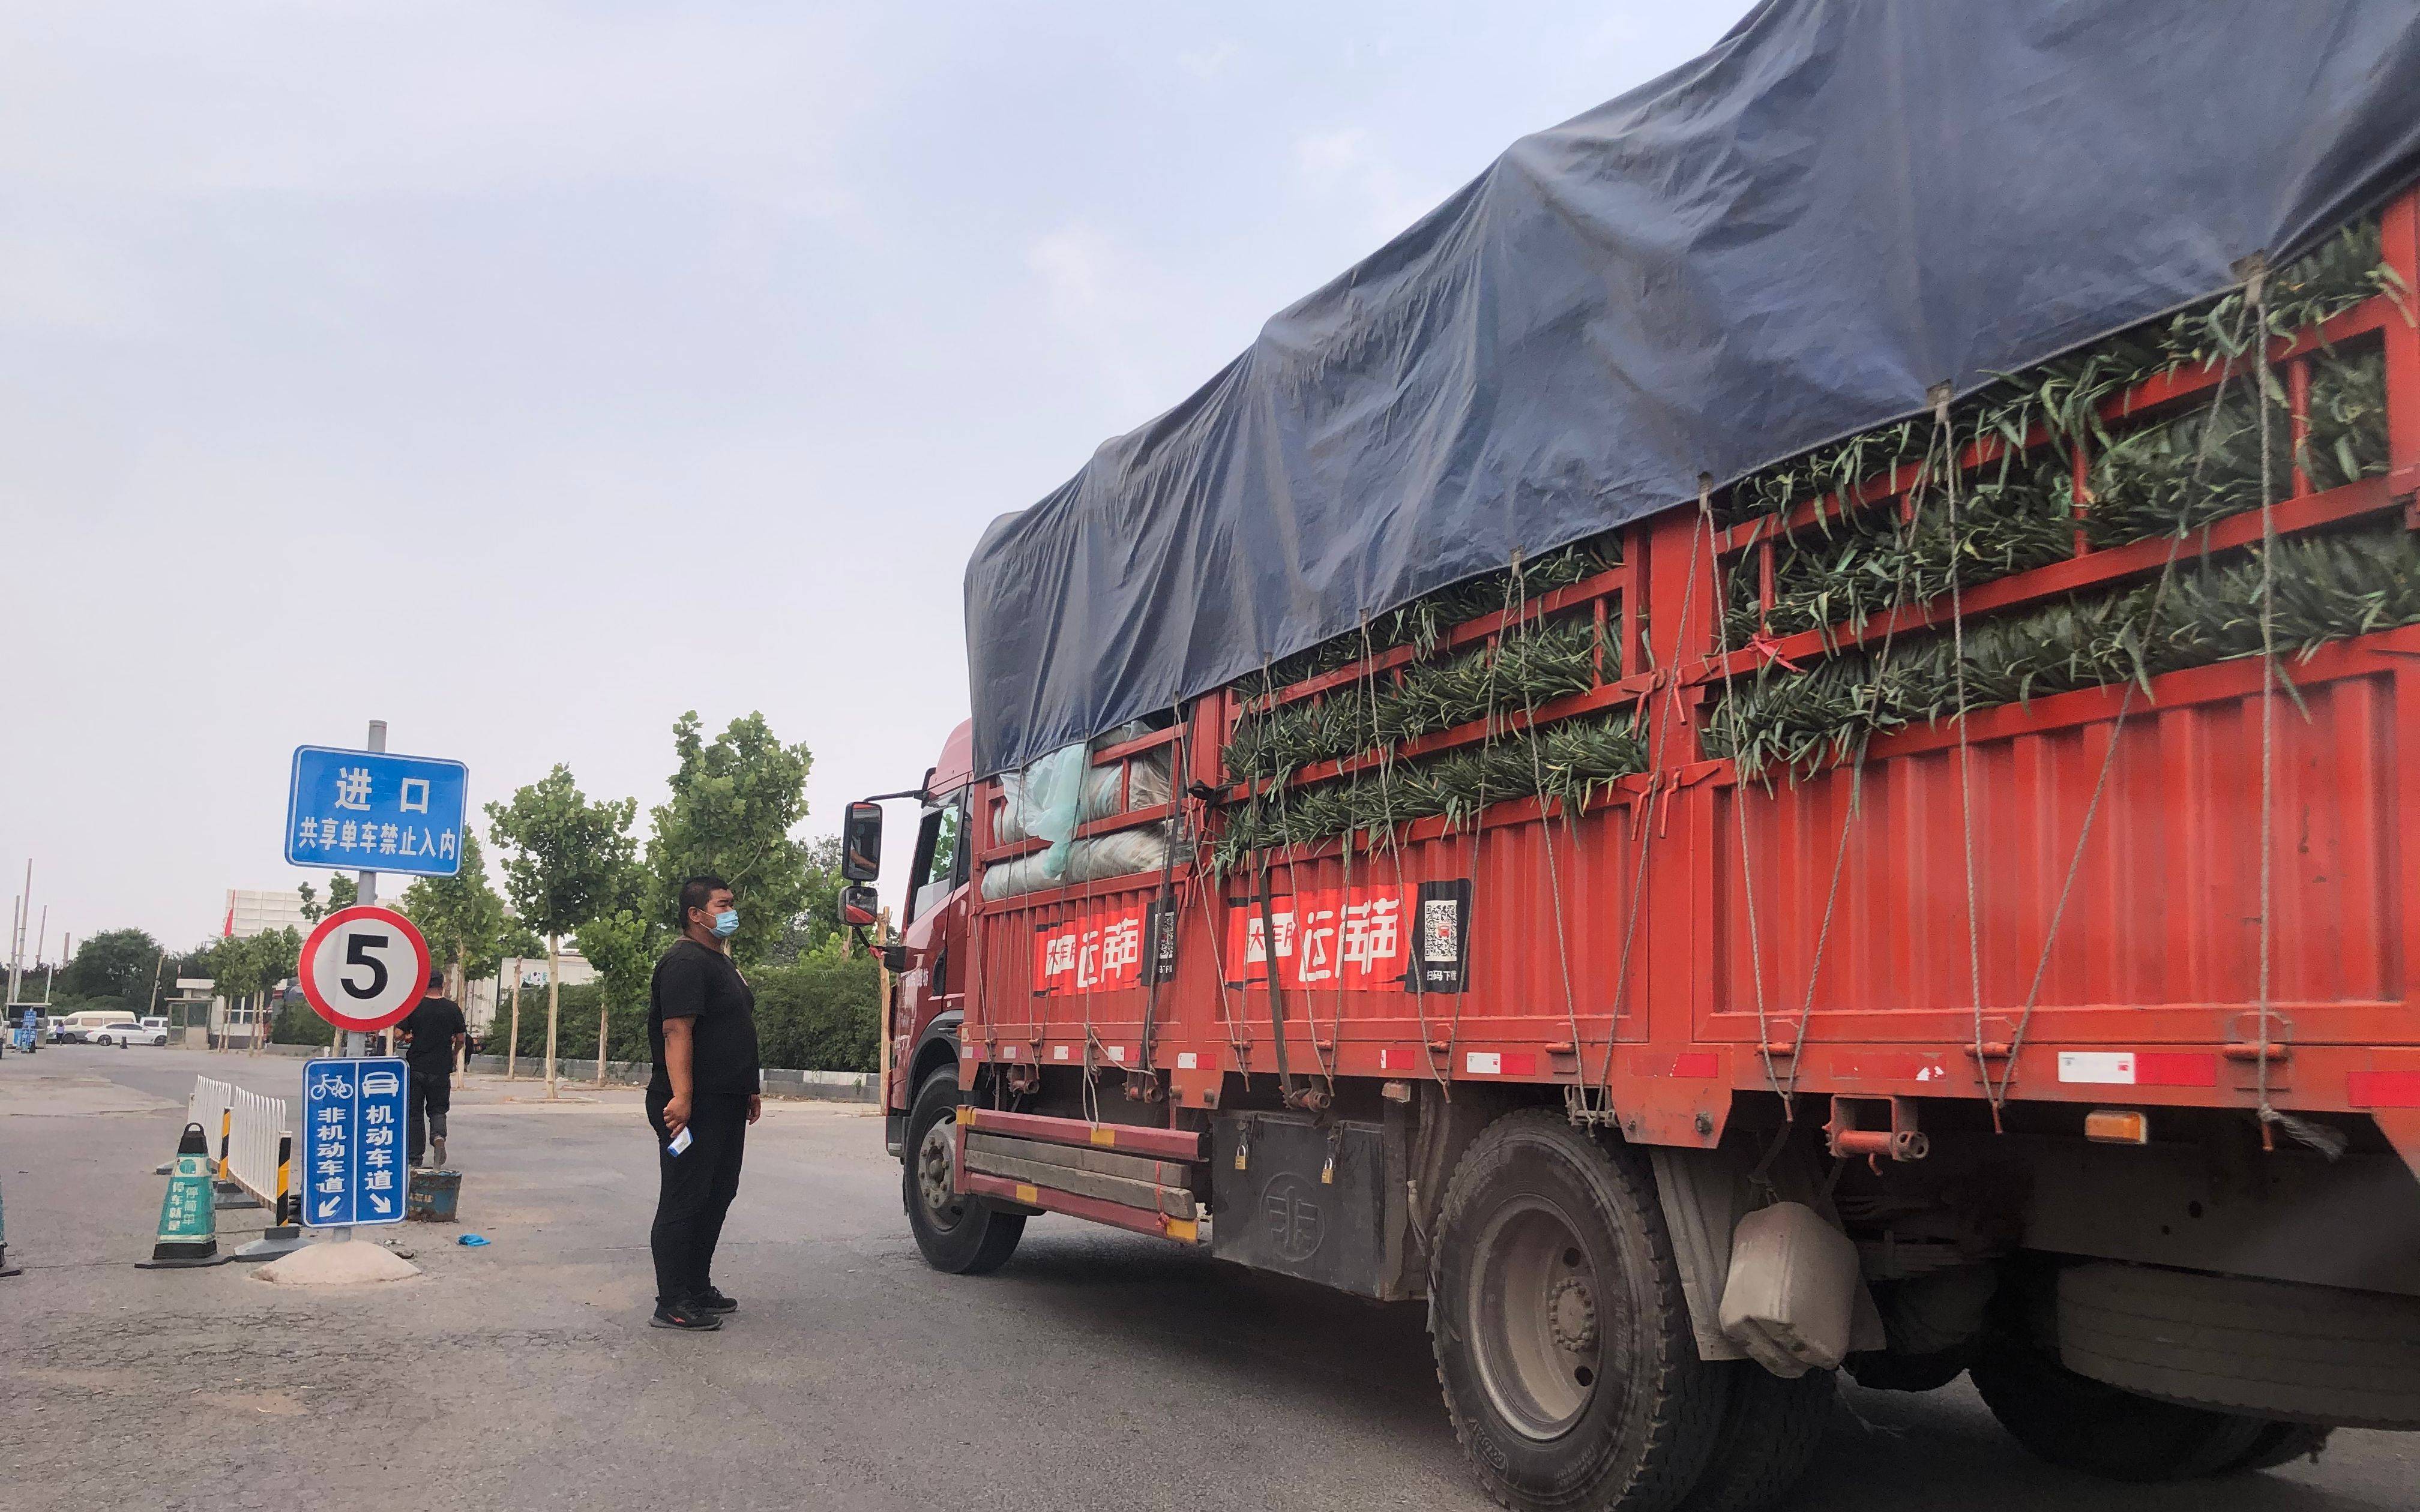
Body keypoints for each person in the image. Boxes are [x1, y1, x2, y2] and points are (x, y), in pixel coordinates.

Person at [645, 875, 761, 1332]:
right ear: (697, 914)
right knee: (685, 1195)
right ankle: (671, 1301)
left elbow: (732, 1030)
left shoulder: (720, 962)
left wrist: (747, 1088)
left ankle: (696, 1286)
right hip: (690, 1106)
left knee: (718, 1192)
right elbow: (677, 1031)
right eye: (723, 903)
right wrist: (683, 1097)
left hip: (725, 1102)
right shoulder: (684, 963)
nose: (731, 911)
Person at [397, 968, 467, 1169]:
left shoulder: (415, 1007)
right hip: (441, 1068)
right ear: (442, 986)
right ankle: (438, 1137)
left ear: (424, 986)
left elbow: (399, 1033)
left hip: (416, 1067)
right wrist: (454, 1053)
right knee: (438, 1109)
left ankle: (415, 1157)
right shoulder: (452, 1009)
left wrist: (409, 1036)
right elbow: (461, 1038)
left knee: (414, 1112)